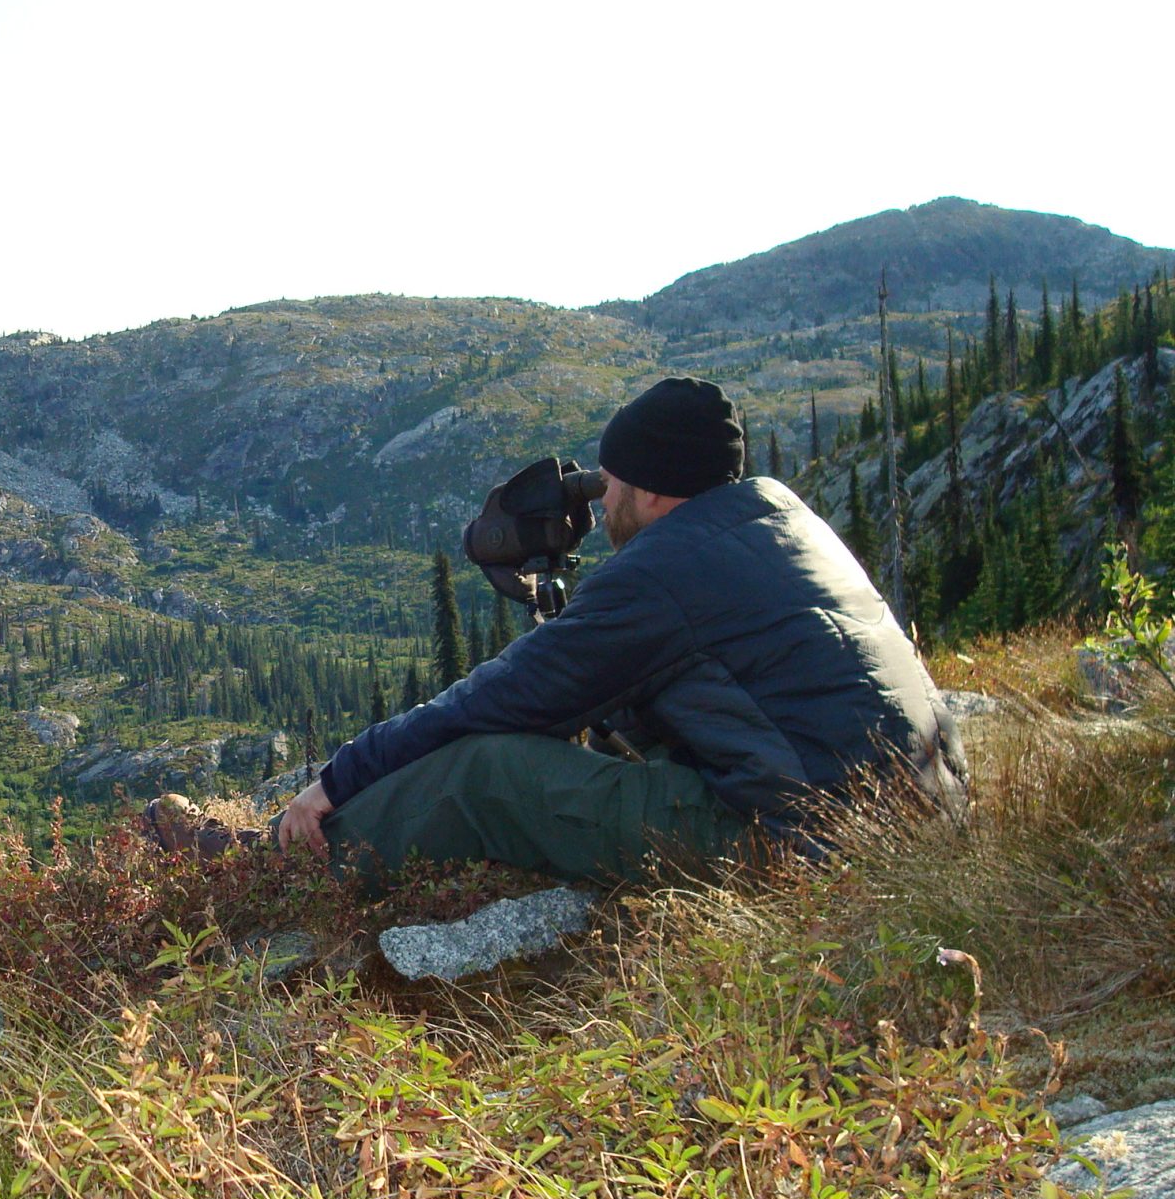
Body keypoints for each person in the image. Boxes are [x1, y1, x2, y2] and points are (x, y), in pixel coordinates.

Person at [271, 375, 965, 884]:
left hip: (806, 850)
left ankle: (285, 867)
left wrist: (338, 778)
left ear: (657, 490)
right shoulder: (783, 521)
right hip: (925, 821)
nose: (604, 502)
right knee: (639, 751)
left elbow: (496, 699)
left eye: (613, 483)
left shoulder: (666, 570)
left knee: (488, 773)